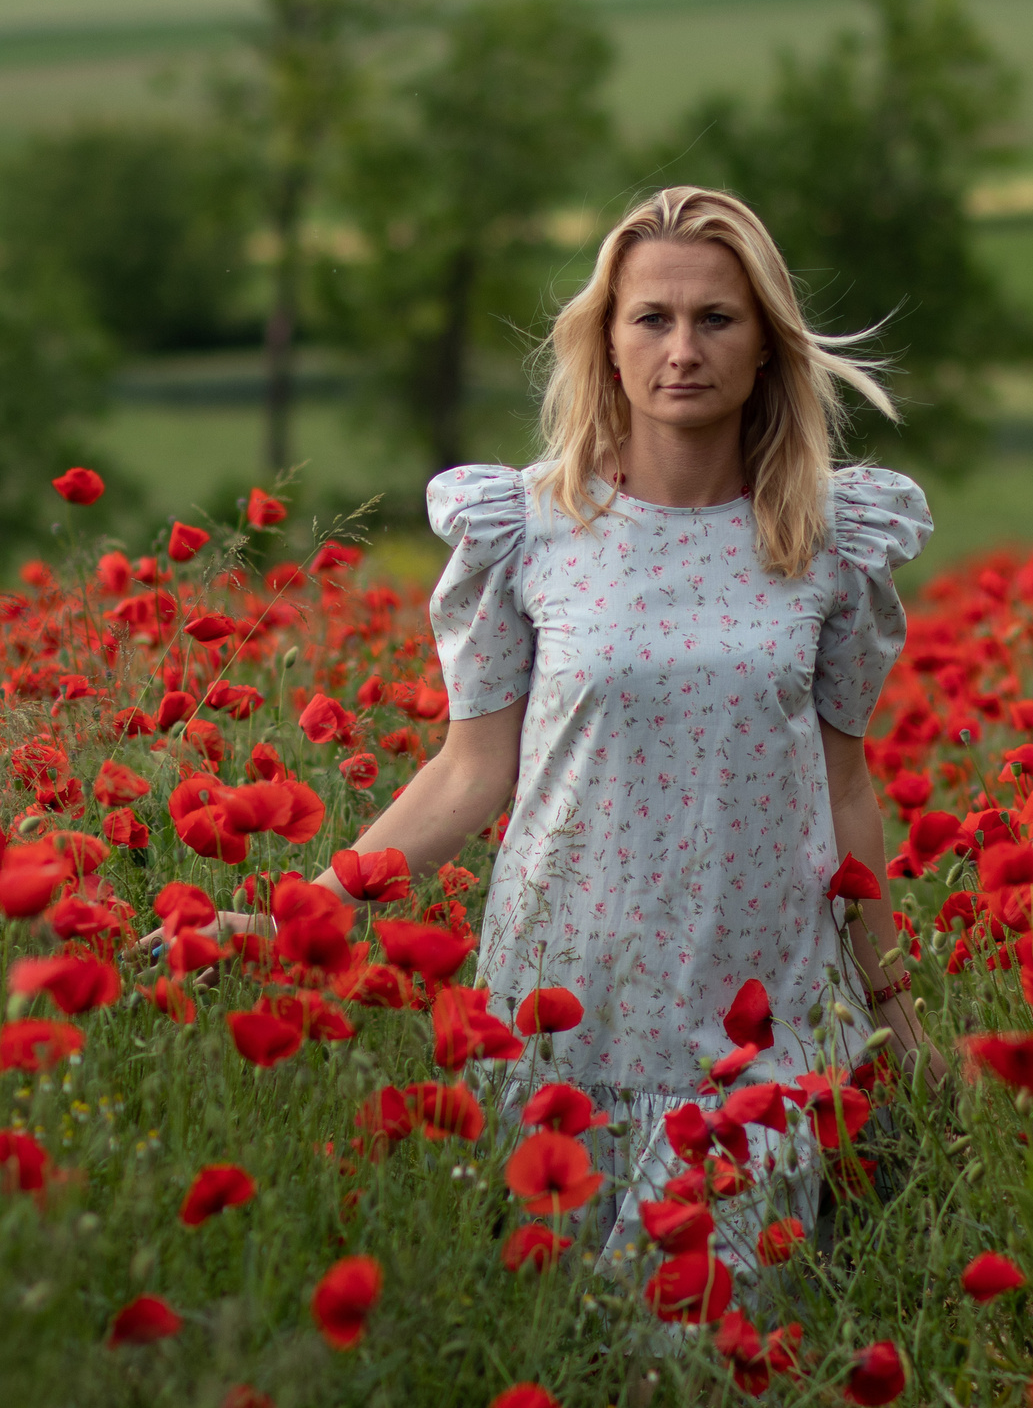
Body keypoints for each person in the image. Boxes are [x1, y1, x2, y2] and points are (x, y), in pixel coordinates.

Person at [249, 186, 945, 1282]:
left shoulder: (831, 544)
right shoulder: (524, 531)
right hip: (563, 1015)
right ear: (606, 344)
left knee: (697, 1368)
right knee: (560, 1374)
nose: (682, 349)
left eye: (715, 318)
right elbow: (470, 773)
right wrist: (299, 916)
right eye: (650, 319)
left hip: (756, 1030)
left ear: (766, 343)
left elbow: (844, 791)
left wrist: (892, 1011)